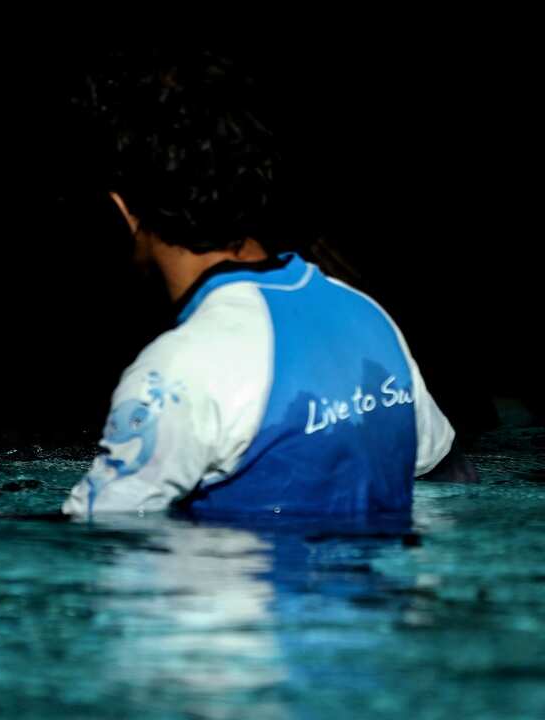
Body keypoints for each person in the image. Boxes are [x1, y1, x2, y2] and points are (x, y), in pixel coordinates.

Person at [62, 50, 472, 518]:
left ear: (122, 209)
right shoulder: (365, 316)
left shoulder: (176, 372)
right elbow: (450, 478)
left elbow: (93, 541)